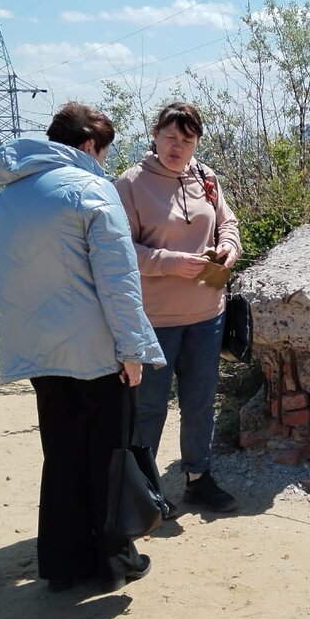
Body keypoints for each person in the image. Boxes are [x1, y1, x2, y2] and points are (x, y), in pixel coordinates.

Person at [0, 102, 167, 593]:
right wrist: (134, 352)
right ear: (90, 145)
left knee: (63, 456)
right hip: (96, 351)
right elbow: (118, 281)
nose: (106, 161)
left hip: (39, 351)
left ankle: (62, 565)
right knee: (108, 455)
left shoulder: (9, 196)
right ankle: (114, 561)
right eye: (105, 151)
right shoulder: (91, 190)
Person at [114, 101, 241, 512]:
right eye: (170, 137)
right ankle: (146, 493)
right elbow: (120, 251)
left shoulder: (206, 177)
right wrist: (171, 263)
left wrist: (229, 248)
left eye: (186, 140)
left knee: (201, 401)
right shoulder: (130, 184)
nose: (177, 146)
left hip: (208, 314)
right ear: (155, 135)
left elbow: (229, 223)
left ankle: (198, 478)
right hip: (155, 319)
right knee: (148, 407)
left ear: (196, 142)